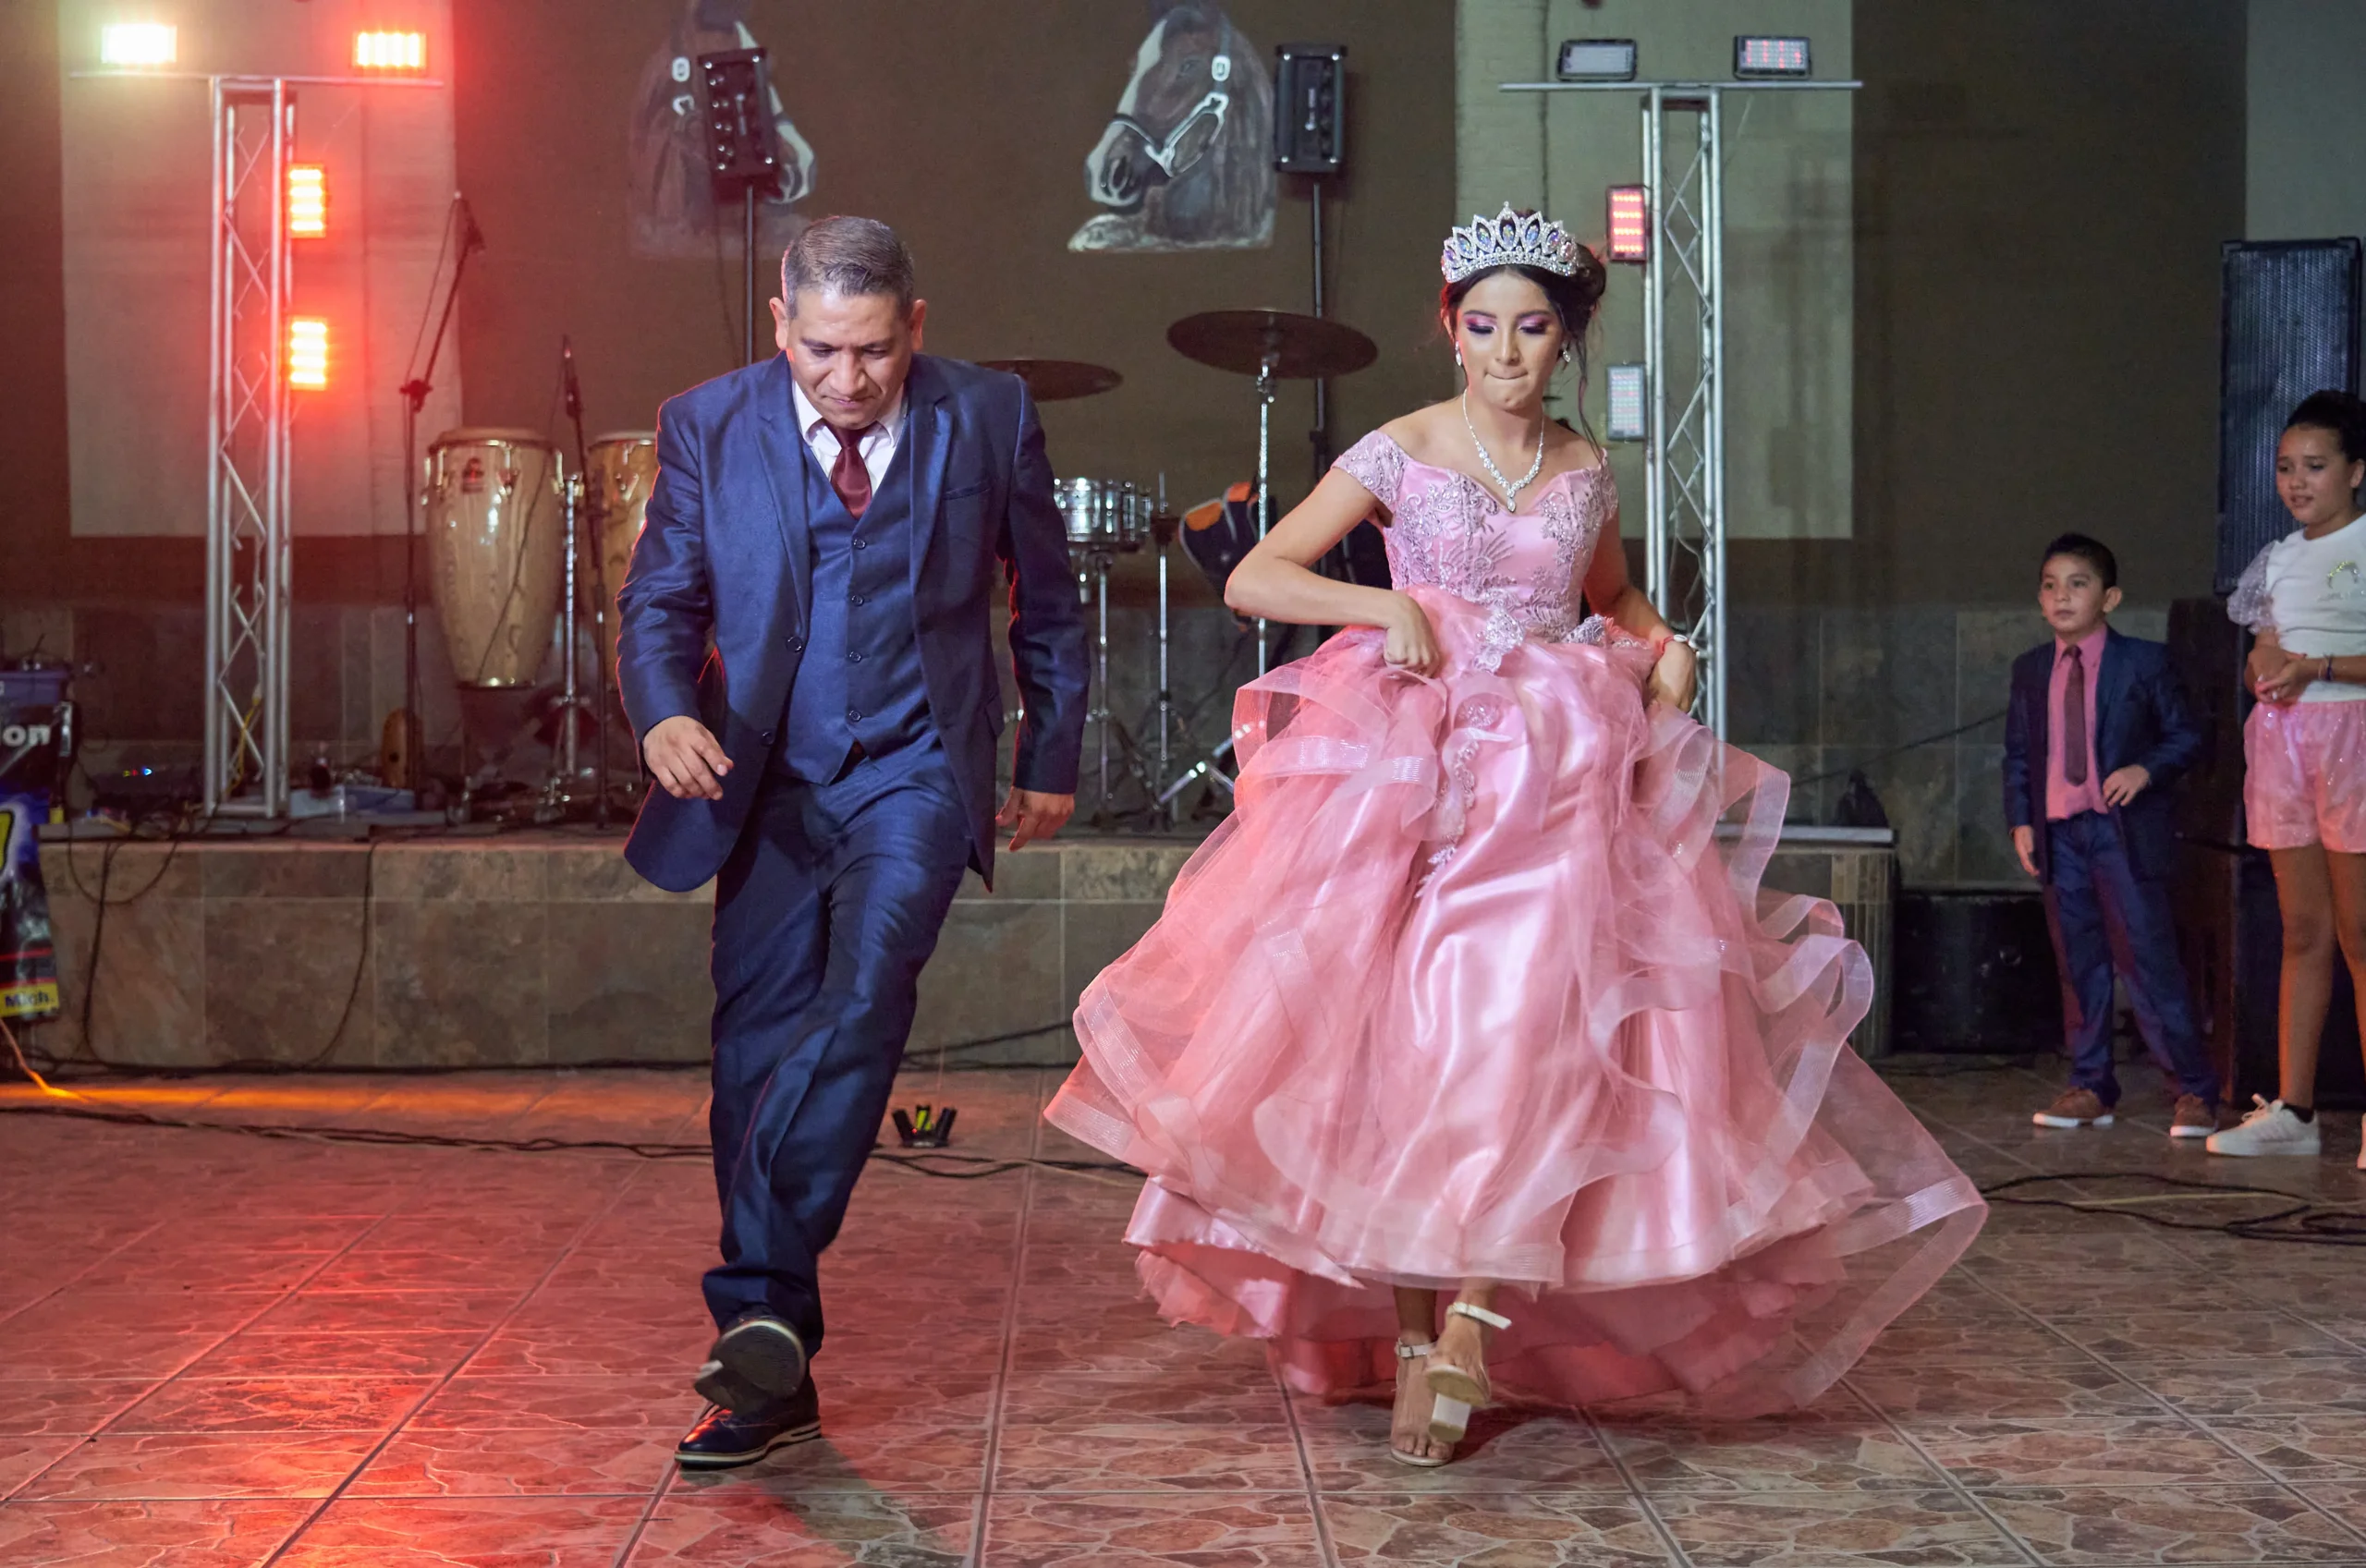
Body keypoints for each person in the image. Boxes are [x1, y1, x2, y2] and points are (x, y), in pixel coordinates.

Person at [1044, 205, 1985, 1467]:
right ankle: (1421, 1342)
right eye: (1482, 326)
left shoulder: (1586, 466)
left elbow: (1615, 598)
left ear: (1565, 338)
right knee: (1404, 1052)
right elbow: (1257, 573)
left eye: (1532, 329)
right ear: (1450, 329)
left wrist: (1665, 643)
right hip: (1418, 780)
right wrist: (1382, 605)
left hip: (1563, 781)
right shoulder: (1399, 449)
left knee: (1534, 1034)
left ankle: (1475, 1313)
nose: (1505, 352)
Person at [616, 216, 1087, 1467]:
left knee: (869, 993)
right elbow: (660, 597)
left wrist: (1049, 756)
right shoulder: (707, 423)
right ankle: (768, 1362)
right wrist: (662, 710)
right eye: (820, 348)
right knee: (753, 1057)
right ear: (781, 324)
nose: (847, 377)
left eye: (874, 350)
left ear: (914, 328)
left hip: (916, 768)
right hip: (761, 775)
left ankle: (754, 1304)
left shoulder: (988, 415)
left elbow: (1047, 596)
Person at [2002, 534, 2221, 1136]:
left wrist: (2145, 768)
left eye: (2078, 584)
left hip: (2120, 833)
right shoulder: (2031, 669)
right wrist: (2021, 820)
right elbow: (2018, 754)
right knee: (2080, 965)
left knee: (2148, 960)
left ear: (2110, 597)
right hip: (2060, 834)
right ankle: (2091, 1084)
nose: (2062, 597)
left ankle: (2194, 1089)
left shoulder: (2142, 662)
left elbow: (2188, 734)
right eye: (2051, 586)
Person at [2208, 390, 2366, 1161]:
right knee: (2303, 928)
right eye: (2284, 468)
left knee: (2360, 931)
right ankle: (2295, 1110)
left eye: (2315, 466)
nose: (2297, 482)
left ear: (2356, 471)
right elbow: (2263, 650)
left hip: (2355, 738)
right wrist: (2269, 668)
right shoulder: (2276, 557)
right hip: (2287, 744)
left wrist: (2318, 667)